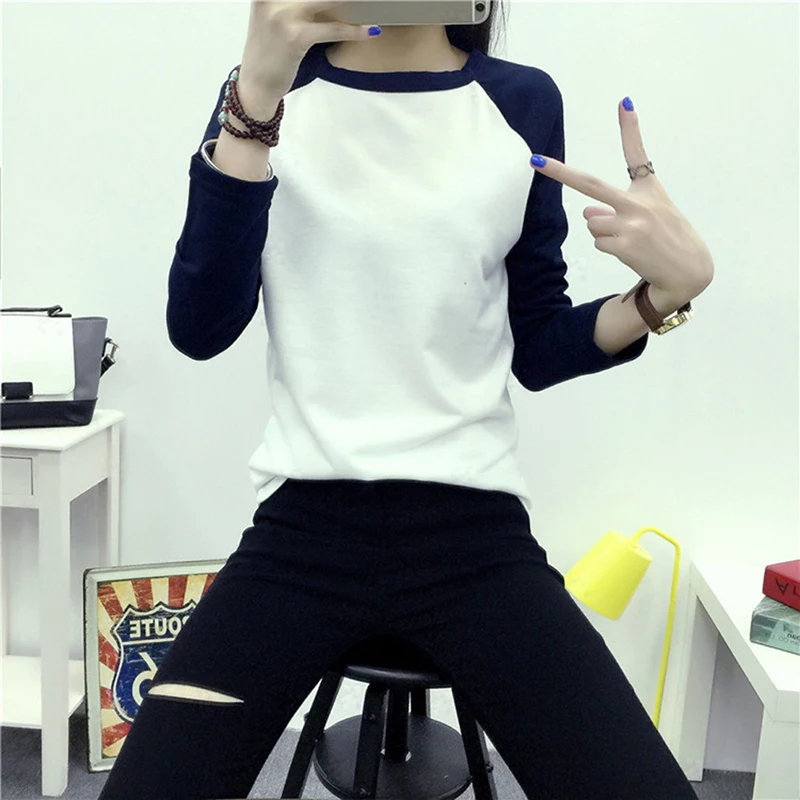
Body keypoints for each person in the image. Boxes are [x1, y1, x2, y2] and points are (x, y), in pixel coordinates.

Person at [98, 1, 700, 798]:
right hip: (301, 535)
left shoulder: (521, 101)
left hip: (475, 539)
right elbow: (201, 327)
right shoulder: (270, 93)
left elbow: (540, 346)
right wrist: (255, 100)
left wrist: (662, 296)